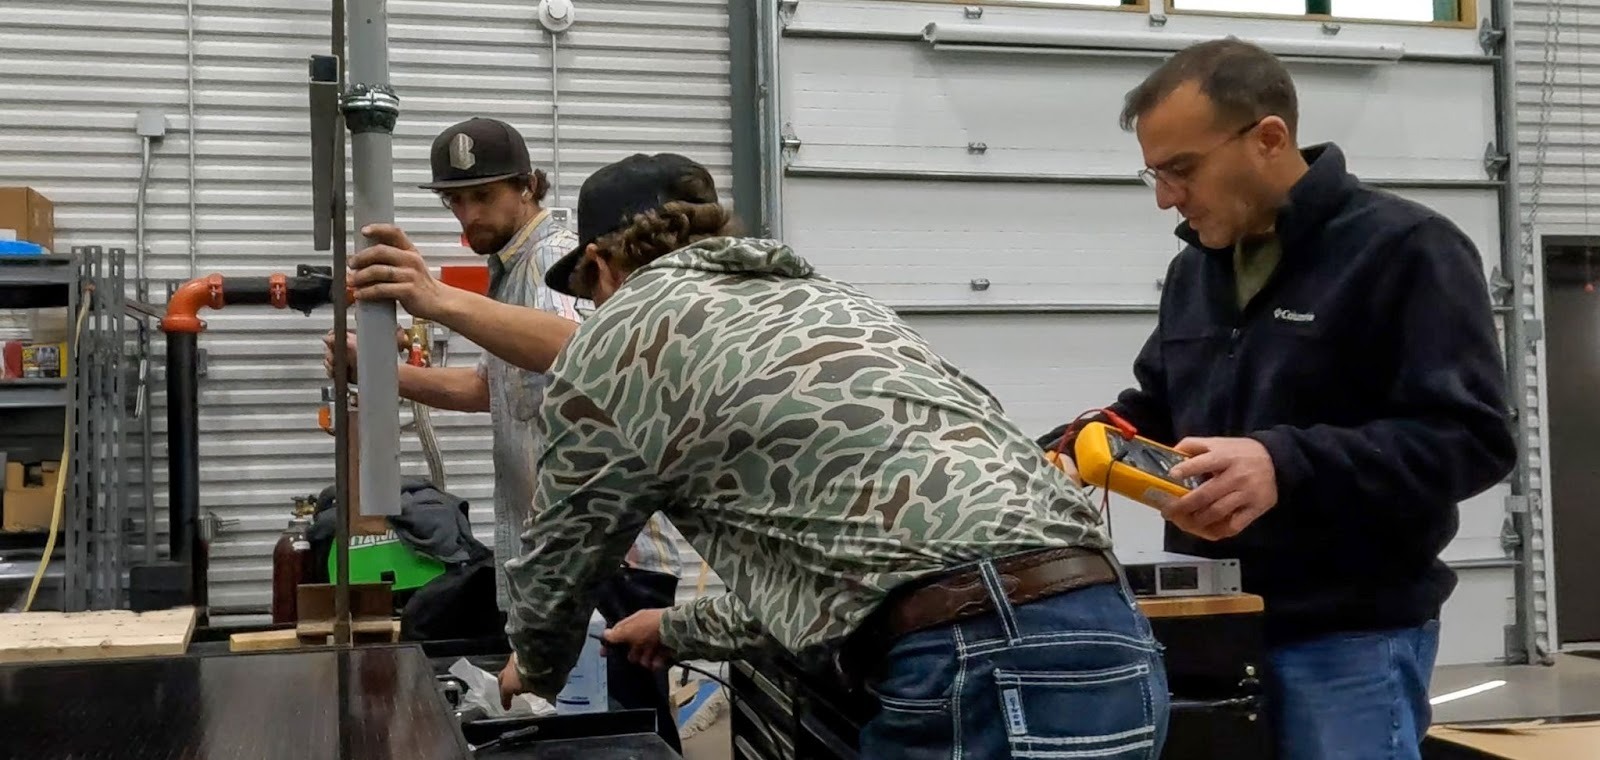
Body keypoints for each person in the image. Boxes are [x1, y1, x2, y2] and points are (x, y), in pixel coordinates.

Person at [353, 151, 1172, 759]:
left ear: (601, 264)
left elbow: (561, 556)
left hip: (975, 660)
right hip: (1110, 635)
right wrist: (681, 624)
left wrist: (527, 669)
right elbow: (863, 570)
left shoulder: (620, 338)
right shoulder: (830, 304)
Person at [1040, 38, 1517, 760]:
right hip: (1212, 632)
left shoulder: (1407, 249)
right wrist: (1068, 447)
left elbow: (1471, 438)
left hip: (1350, 642)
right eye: (1155, 175)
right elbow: (1158, 404)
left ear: (1269, 138)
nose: (1167, 196)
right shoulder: (1195, 272)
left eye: (1182, 169)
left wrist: (1282, 464)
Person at [322, 117, 684, 751]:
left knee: (625, 737)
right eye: (455, 199)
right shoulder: (507, 268)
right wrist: (379, 370)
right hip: (559, 553)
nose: (468, 213)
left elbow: (585, 348)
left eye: (483, 195)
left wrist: (436, 299)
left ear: (528, 187)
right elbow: (491, 390)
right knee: (590, 733)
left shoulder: (553, 257)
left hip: (608, 556)